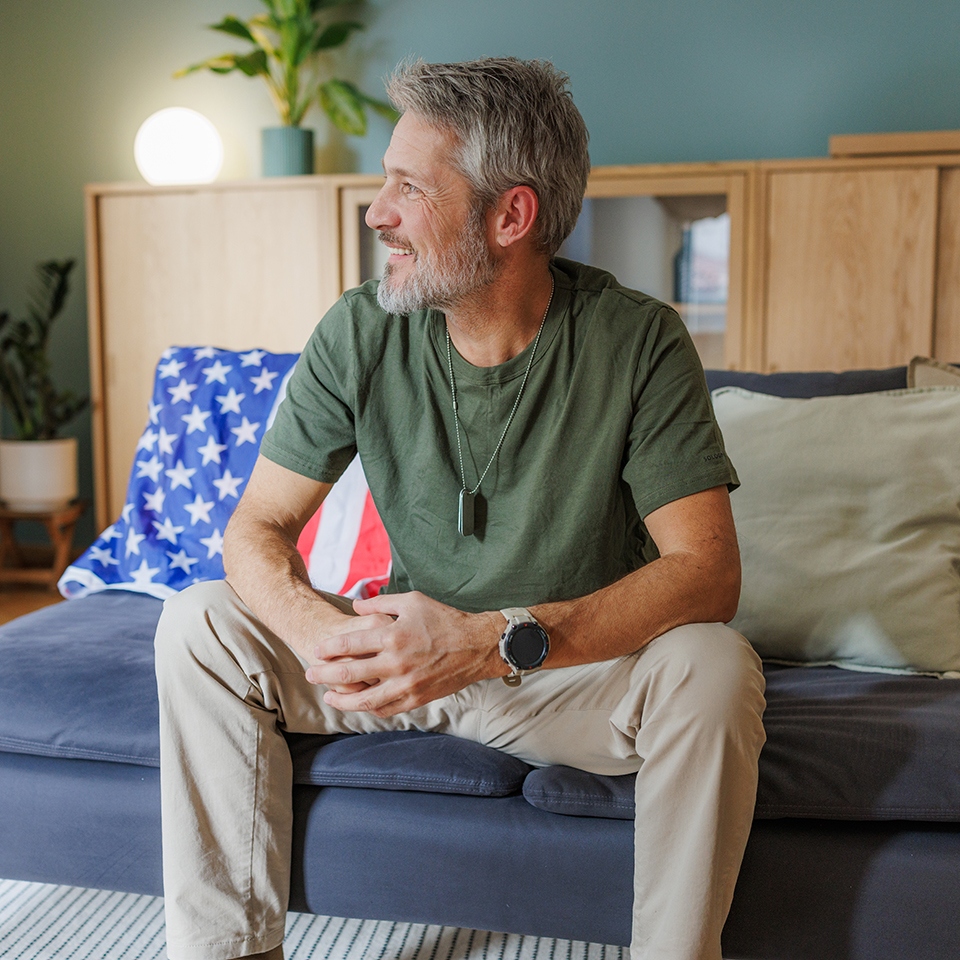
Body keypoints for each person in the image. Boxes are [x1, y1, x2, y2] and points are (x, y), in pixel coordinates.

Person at [154, 57, 766, 960]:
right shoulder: (361, 328)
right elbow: (255, 530)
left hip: (562, 677)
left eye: (408, 187)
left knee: (714, 665)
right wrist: (325, 638)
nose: (378, 213)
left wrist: (488, 640)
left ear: (510, 216)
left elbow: (708, 574)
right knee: (198, 621)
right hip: (397, 670)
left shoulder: (638, 340)